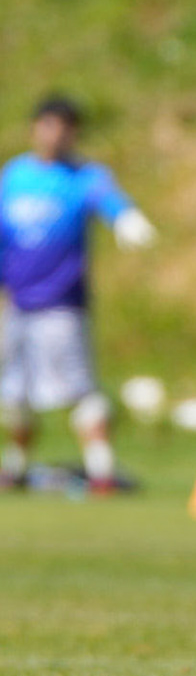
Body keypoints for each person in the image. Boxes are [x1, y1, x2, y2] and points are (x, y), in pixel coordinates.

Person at [0, 94, 156, 492]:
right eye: (49, 124)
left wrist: (126, 218)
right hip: (16, 304)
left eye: (66, 127)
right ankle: (15, 468)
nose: (56, 134)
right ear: (35, 128)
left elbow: (108, 199)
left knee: (79, 391)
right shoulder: (14, 176)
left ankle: (101, 472)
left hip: (62, 306)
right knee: (15, 393)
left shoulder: (85, 176)